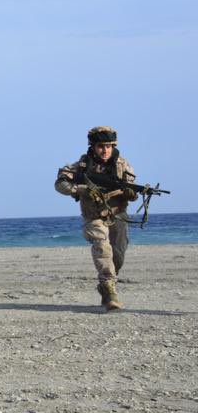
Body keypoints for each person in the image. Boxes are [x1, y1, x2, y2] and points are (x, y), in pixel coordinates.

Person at [54, 126, 138, 311]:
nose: (105, 150)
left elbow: (132, 189)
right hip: (93, 217)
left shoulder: (122, 165)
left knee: (118, 255)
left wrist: (130, 193)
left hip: (118, 215)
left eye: (109, 146)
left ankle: (107, 283)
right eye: (101, 146)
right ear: (93, 146)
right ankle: (109, 291)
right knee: (102, 248)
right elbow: (60, 183)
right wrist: (80, 189)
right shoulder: (81, 166)